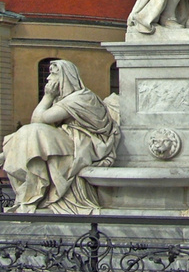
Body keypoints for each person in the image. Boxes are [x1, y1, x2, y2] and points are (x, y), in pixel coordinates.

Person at [0, 60, 119, 213]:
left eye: (53, 74)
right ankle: (13, 161)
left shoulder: (80, 98)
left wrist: (48, 96)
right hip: (71, 138)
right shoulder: (70, 99)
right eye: (49, 73)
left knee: (34, 131)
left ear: (65, 77)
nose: (49, 78)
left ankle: (9, 159)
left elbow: (38, 120)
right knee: (31, 132)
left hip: (86, 144)